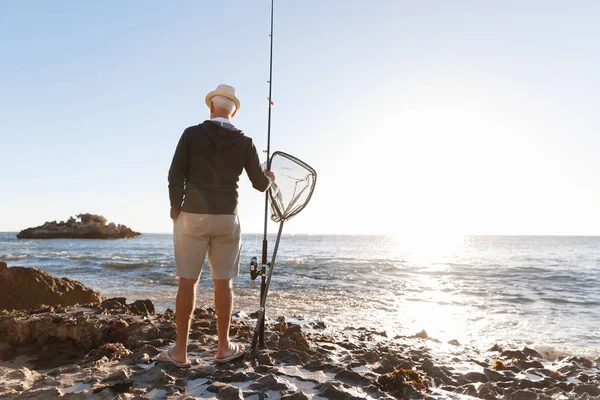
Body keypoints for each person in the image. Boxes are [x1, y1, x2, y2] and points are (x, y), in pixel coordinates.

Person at [158, 84, 274, 367]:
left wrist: (176, 208)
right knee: (224, 282)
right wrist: (269, 176)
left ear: (211, 108)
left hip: (192, 215)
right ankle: (223, 347)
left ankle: (180, 352)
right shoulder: (245, 142)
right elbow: (260, 185)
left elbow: (176, 175)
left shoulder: (192, 134)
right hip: (226, 217)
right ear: (233, 111)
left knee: (188, 282)